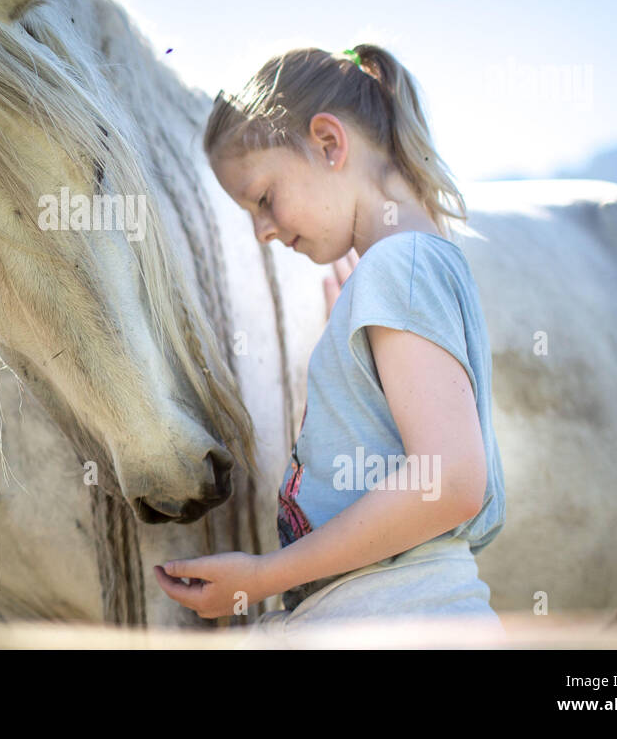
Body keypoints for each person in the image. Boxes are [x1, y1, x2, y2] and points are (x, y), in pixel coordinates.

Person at [153, 45, 507, 644]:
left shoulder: (400, 266)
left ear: (328, 143)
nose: (262, 232)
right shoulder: (402, 271)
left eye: (263, 198)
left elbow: (448, 481)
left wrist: (264, 577)